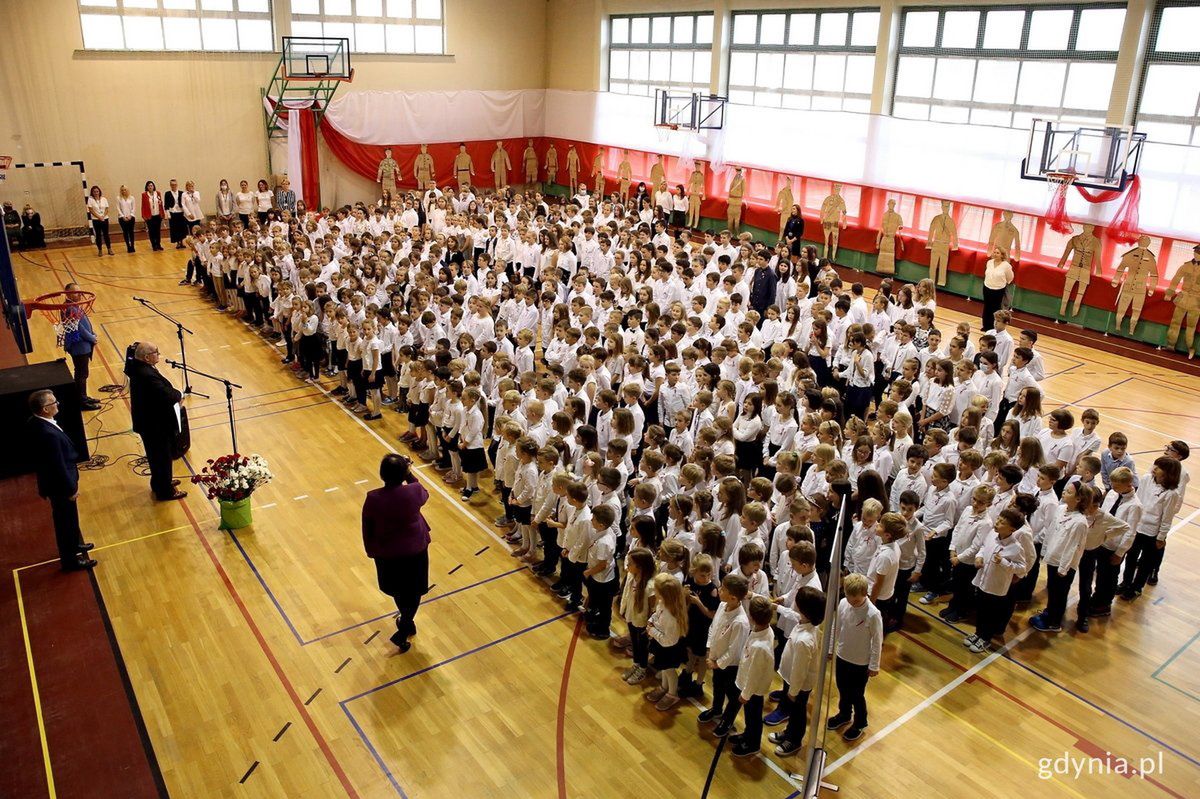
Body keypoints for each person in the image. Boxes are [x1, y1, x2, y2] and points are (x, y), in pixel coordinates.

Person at [361, 453, 432, 653]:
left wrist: (370, 550)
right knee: (415, 589)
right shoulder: (413, 491)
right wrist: (409, 473)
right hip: (415, 549)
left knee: (399, 590)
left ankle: (405, 623)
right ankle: (406, 622)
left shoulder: (373, 498)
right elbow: (423, 492)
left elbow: (367, 526)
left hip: (387, 552)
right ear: (403, 473)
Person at [26, 389, 96, 571]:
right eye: (53, 403)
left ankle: (74, 545)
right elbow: (57, 465)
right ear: (44, 409)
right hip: (60, 487)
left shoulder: (38, 422)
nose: (57, 404)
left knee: (70, 519)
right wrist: (71, 488)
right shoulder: (47, 434)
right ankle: (70, 560)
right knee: (64, 522)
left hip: (58, 483)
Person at [127, 341, 186, 501]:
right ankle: (165, 491)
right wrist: (179, 394)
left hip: (149, 421)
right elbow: (165, 394)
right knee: (162, 457)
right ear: (146, 357)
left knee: (156, 456)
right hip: (155, 425)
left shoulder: (138, 367)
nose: (158, 355)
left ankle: (160, 482)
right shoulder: (146, 374)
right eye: (156, 352)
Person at [63, 282, 101, 411]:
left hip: (83, 344)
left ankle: (83, 397)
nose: (79, 295)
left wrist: (92, 333)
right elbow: (79, 328)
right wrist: (92, 337)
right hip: (79, 346)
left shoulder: (74, 306)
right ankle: (81, 401)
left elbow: (84, 324)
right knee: (81, 374)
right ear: (68, 294)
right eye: (75, 292)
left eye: (80, 292)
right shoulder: (70, 308)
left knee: (82, 373)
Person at [981, 246, 1014, 332]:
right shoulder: (989, 262)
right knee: (987, 307)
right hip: (987, 287)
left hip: (998, 290)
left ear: (1002, 255)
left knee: (995, 308)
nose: (995, 254)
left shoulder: (1006, 266)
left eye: (998, 253)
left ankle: (993, 327)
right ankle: (985, 326)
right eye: (994, 252)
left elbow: (1010, 278)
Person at [86, 185, 113, 256]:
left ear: (99, 191)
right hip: (96, 220)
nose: (96, 193)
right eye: (94, 192)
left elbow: (107, 209)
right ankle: (100, 250)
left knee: (106, 234)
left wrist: (103, 216)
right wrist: (98, 217)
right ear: (92, 192)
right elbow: (91, 210)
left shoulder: (104, 199)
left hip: (105, 219)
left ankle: (109, 249)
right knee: (98, 235)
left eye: (97, 191)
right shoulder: (90, 199)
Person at [140, 180, 165, 251]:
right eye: (149, 186)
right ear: (147, 187)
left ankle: (158, 244)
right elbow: (143, 206)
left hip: (157, 215)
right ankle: (153, 245)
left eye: (151, 185)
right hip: (149, 216)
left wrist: (160, 204)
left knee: (157, 231)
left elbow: (161, 204)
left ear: (153, 186)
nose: (150, 187)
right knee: (151, 231)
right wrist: (144, 216)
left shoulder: (158, 193)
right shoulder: (144, 195)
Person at [163, 178, 187, 248]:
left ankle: (182, 242)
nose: (174, 186)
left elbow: (184, 203)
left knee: (182, 228)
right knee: (174, 228)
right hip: (173, 213)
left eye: (175, 184)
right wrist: (168, 214)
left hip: (181, 212)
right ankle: (178, 242)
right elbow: (166, 205)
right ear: (170, 185)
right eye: (172, 185)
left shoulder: (181, 193)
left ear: (177, 185)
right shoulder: (167, 193)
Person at [116, 185, 137, 253]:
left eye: (125, 190)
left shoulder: (132, 198)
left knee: (131, 232)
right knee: (125, 232)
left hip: (131, 218)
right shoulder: (118, 198)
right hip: (122, 218)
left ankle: (132, 246)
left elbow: (133, 208)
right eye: (122, 190)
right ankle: (128, 246)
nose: (123, 191)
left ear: (127, 190)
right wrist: (123, 216)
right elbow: (118, 208)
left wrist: (131, 215)